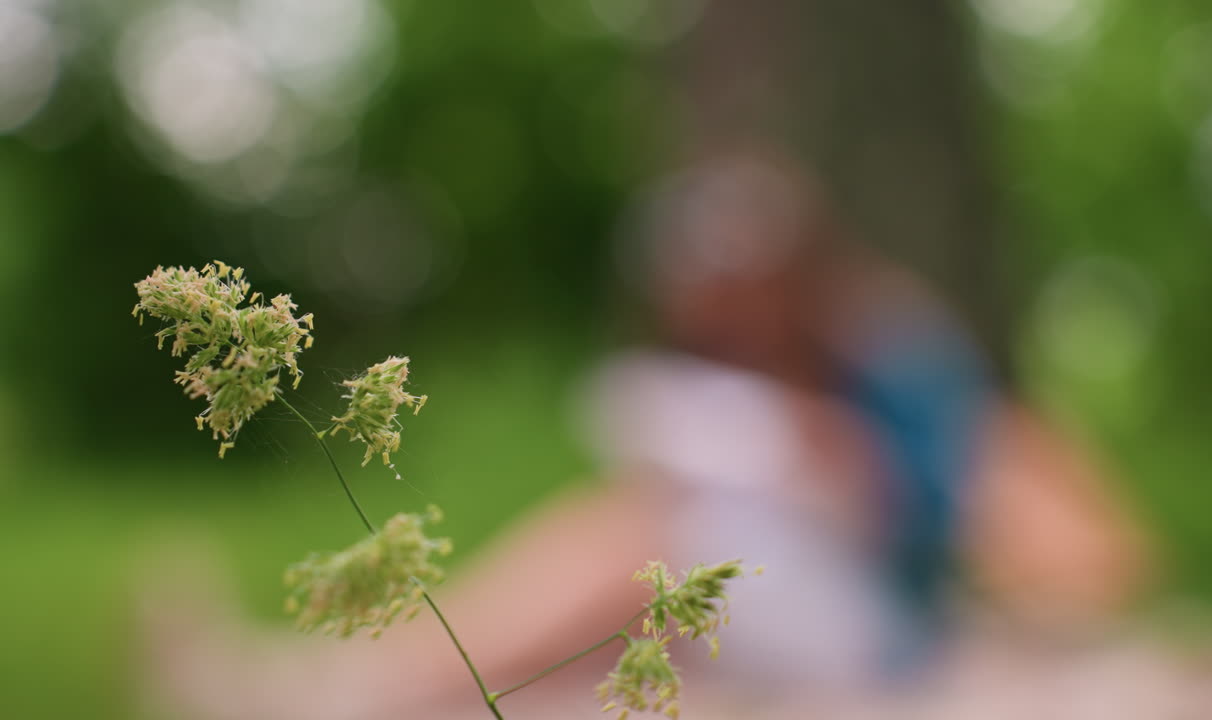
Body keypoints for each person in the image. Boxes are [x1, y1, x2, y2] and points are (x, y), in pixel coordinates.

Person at [141, 147, 1149, 719]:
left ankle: (370, 685)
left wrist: (840, 468)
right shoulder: (716, 365)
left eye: (745, 285)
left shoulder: (891, 358)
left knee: (643, 545)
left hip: (878, 630)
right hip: (773, 603)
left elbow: (1020, 520)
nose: (728, 313)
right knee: (637, 532)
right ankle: (385, 672)